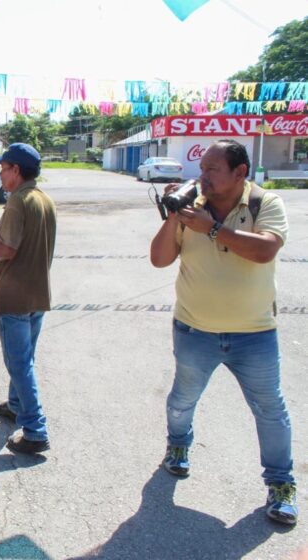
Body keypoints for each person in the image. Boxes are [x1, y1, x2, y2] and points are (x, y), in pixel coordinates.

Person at [149, 139, 297, 525]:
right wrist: (172, 215)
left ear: (240, 173)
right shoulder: (191, 207)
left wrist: (212, 229)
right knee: (183, 398)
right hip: (195, 330)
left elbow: (265, 250)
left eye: (213, 169)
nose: (204, 176)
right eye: (202, 168)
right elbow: (159, 260)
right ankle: (178, 447)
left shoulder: (265, 204)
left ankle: (280, 485)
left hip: (255, 333)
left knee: (270, 411)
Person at [0, 143, 56, 455]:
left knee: (19, 364)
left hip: (15, 296)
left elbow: (6, 249)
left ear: (16, 170)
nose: (0, 173)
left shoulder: (17, 201)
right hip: (38, 293)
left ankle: (35, 429)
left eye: (3, 168)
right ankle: (16, 406)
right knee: (24, 359)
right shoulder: (43, 199)